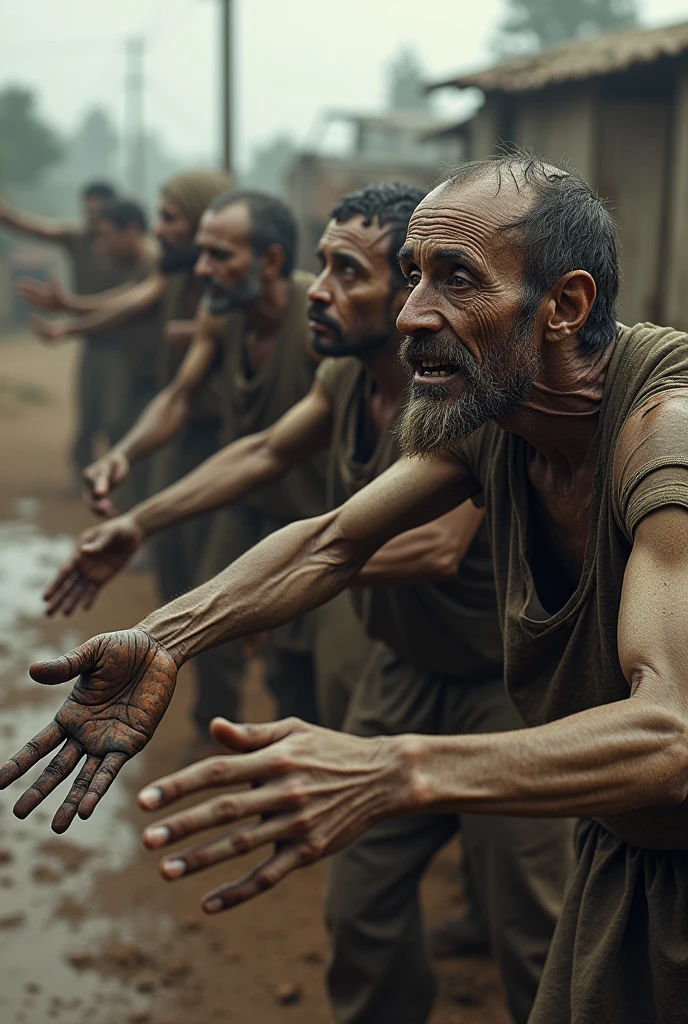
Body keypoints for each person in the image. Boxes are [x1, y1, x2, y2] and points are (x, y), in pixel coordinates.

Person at [5, 150, 688, 1024]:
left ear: (565, 306)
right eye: (411, 276)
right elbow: (330, 543)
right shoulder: (495, 408)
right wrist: (168, 636)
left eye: (455, 280)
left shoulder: (661, 434)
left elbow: (669, 733)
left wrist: (391, 767)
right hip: (626, 844)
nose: (411, 315)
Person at [18, 170, 233, 602]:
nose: (158, 231)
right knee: (173, 551)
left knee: (215, 558)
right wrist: (71, 319)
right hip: (183, 422)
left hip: (221, 434)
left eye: (170, 218)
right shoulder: (171, 270)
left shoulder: (230, 289)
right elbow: (130, 303)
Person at [24, 198, 162, 507]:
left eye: (104, 237)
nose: (99, 247)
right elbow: (122, 300)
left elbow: (129, 304)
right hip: (138, 369)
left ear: (130, 229)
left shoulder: (156, 262)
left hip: (156, 378)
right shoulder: (144, 266)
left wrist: (69, 321)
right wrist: (69, 311)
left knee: (127, 433)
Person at [0, 181, 131, 485]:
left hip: (122, 343)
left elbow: (129, 298)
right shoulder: (78, 238)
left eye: (99, 211)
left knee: (118, 418)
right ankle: (82, 474)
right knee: (88, 413)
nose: (93, 218)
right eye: (88, 210)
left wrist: (68, 310)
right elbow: (35, 228)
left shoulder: (130, 249)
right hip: (92, 341)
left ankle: (118, 477)